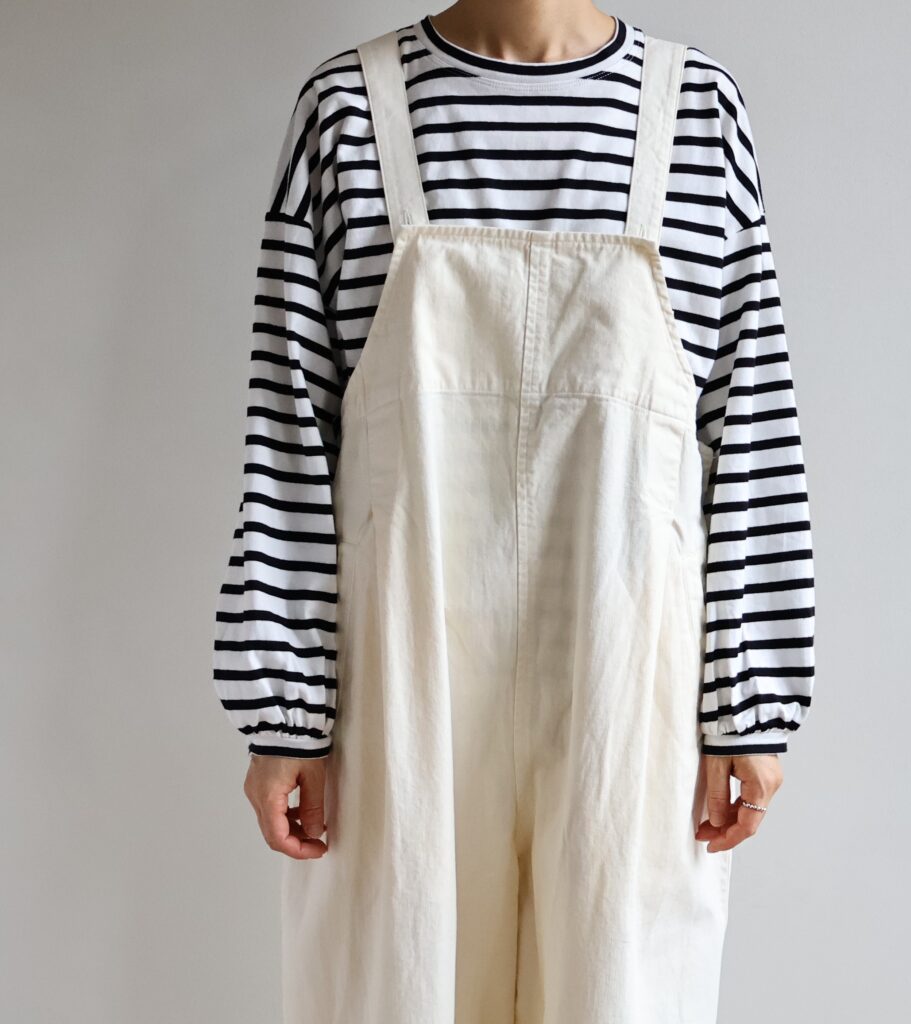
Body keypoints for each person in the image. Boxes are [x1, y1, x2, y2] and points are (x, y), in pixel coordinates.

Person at [212, 3, 815, 1020]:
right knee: (400, 985)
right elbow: (289, 433)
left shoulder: (697, 113)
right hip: (400, 679)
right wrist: (286, 712)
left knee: (617, 992)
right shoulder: (349, 112)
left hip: (628, 676)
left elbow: (748, 423)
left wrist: (747, 702)